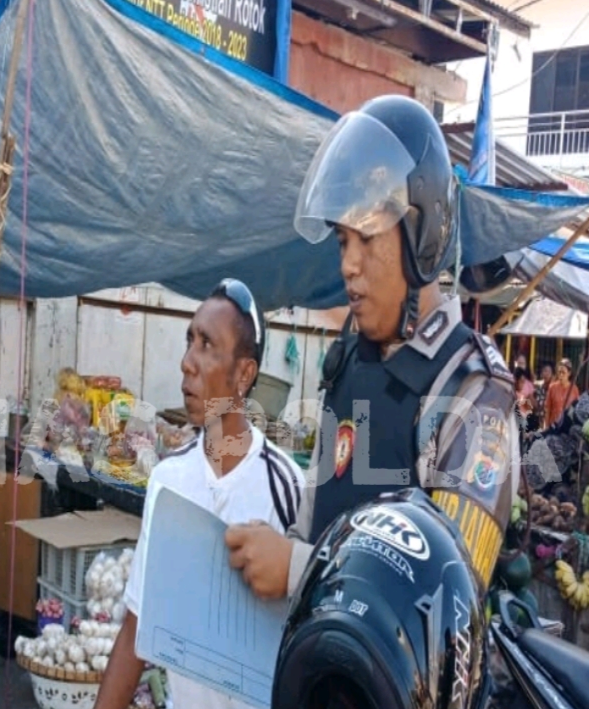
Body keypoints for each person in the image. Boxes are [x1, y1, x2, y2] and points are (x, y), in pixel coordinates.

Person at [28, 280, 305, 709]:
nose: (186, 362)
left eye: (207, 346)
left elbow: (308, 658)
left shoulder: (288, 489)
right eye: (188, 341)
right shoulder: (169, 481)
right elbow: (139, 629)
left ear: (245, 375)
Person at [223, 94, 520, 615]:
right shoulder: (348, 363)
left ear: (420, 238)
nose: (349, 266)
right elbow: (316, 515)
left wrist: (295, 567)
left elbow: (452, 601)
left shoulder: (472, 392)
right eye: (341, 241)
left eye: (366, 237)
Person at [542, 358, 580, 430]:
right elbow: (547, 409)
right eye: (559, 372)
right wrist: (546, 427)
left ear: (569, 373)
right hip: (553, 427)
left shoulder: (574, 389)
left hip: (567, 428)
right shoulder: (552, 387)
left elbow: (576, 411)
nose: (561, 375)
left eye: (563, 372)